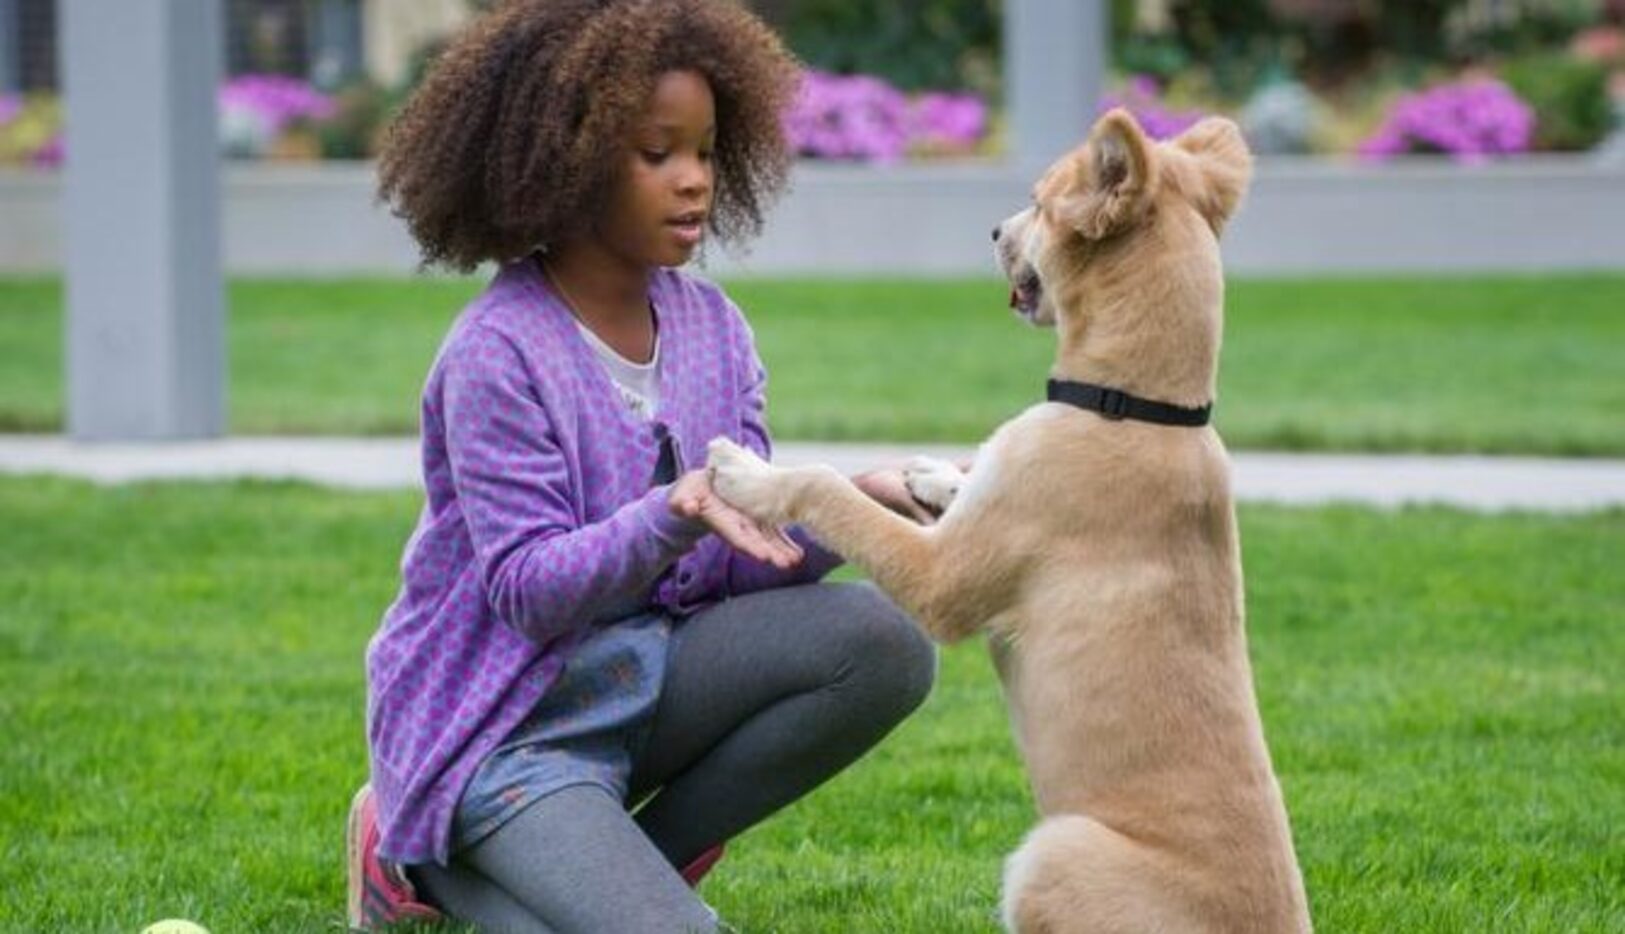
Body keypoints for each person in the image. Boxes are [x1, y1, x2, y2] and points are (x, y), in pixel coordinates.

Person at [344, 1, 938, 930]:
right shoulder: (496, 353)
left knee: (883, 644)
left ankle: (618, 871)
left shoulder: (715, 330)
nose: (694, 181)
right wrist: (670, 510)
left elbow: (744, 562)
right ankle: (411, 856)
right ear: (565, 159)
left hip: (644, 683)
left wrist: (855, 504)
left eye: (704, 151)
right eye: (656, 154)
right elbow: (528, 592)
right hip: (503, 732)